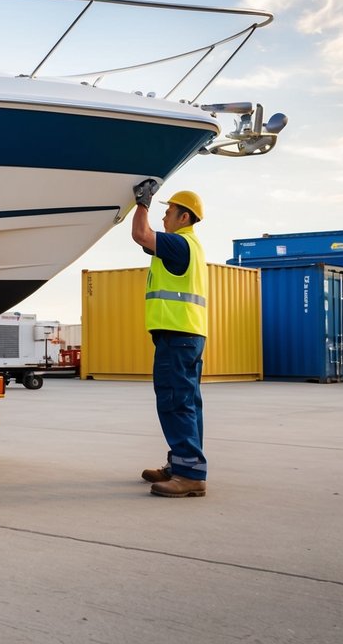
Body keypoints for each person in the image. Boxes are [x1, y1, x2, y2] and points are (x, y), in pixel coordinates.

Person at [130, 180, 208, 498]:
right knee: (187, 403)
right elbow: (146, 242)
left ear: (184, 217)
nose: (164, 218)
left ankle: (189, 476)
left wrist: (142, 202)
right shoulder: (187, 246)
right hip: (187, 334)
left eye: (169, 211)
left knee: (176, 402)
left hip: (178, 336)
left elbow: (140, 234)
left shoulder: (180, 244)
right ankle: (183, 465)